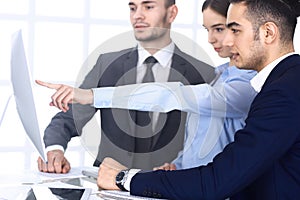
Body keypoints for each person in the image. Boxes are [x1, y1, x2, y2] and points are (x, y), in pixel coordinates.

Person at [94, 0, 300, 199]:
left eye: (235, 30)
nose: (228, 41)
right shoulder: (282, 82)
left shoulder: (283, 92)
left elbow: (215, 182)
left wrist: (124, 178)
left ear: (268, 33)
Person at [36, 0, 257, 171]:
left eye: (148, 6)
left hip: (168, 189)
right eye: (132, 8)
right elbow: (72, 114)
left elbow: (209, 140)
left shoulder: (205, 73)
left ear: (172, 13)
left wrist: (93, 95)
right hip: (108, 186)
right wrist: (54, 149)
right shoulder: (107, 64)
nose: (138, 15)